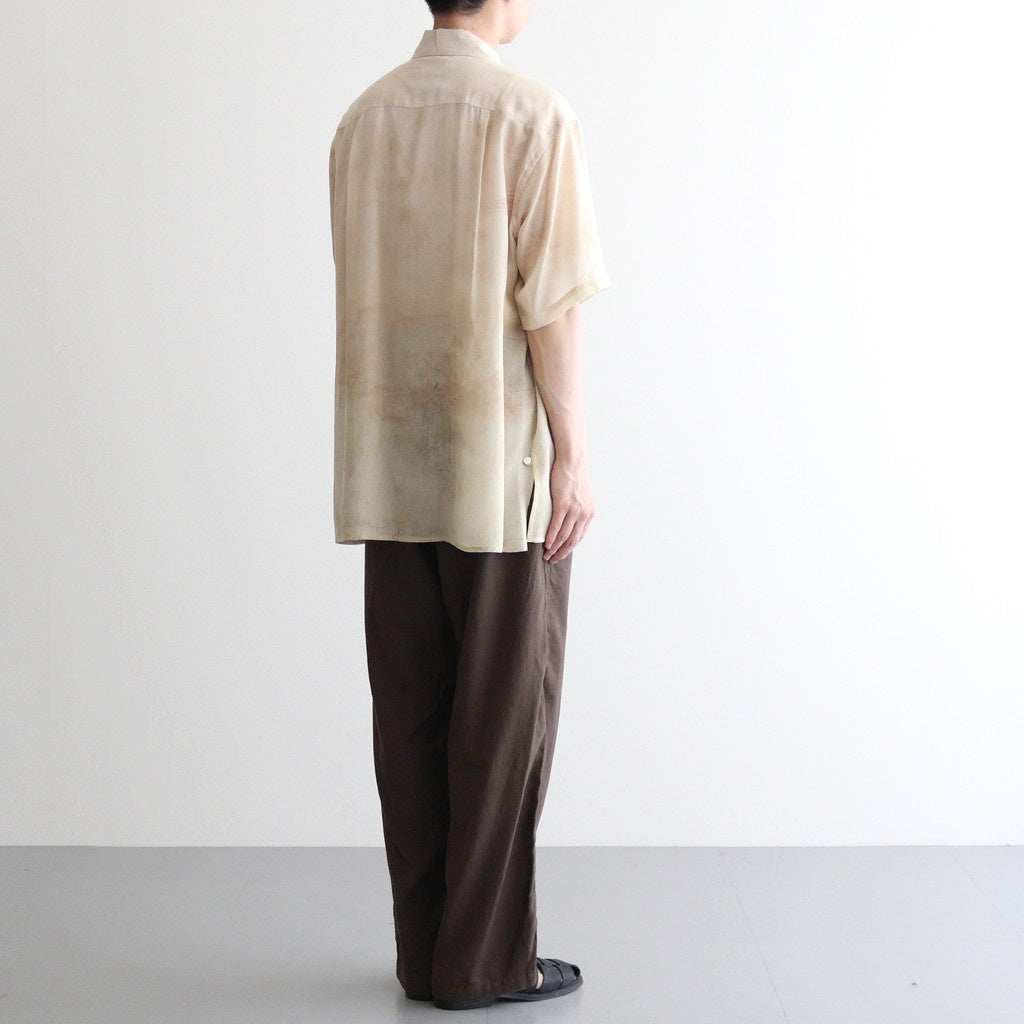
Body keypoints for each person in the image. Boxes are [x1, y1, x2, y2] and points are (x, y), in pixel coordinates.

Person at [328, 0, 611, 1010]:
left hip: (387, 463)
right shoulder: (532, 114)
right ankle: (484, 964)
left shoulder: (366, 117)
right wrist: (572, 455)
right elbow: (553, 305)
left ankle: (426, 951)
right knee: (501, 716)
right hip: (495, 469)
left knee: (411, 717)